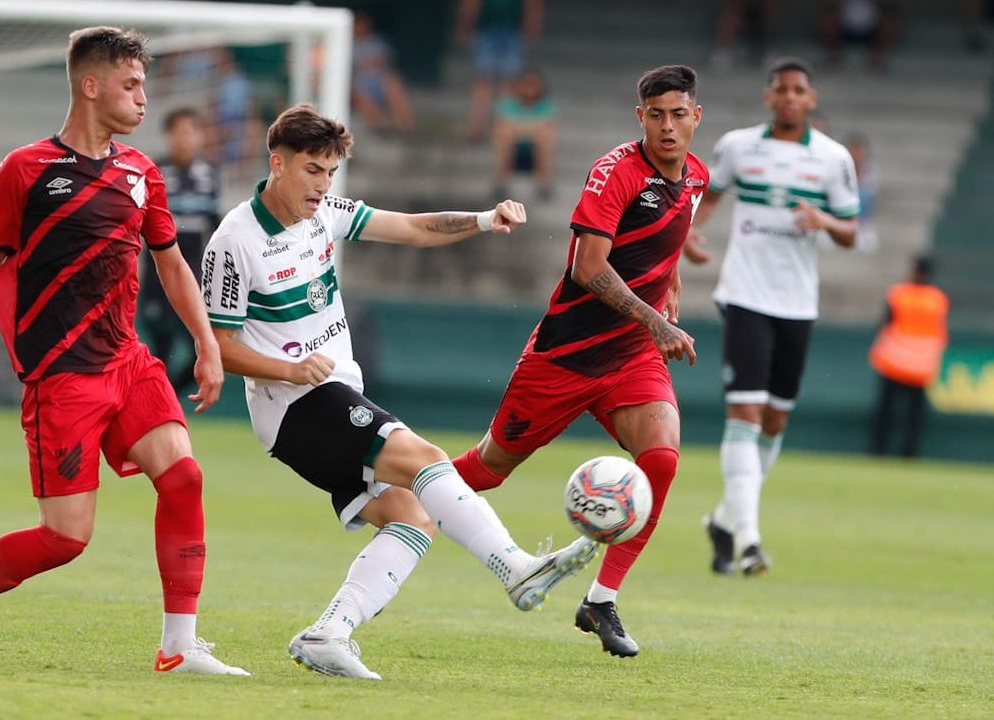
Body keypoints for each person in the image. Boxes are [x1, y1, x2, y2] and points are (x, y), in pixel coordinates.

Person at [0, 26, 249, 676]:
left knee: (185, 477)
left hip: (128, 361)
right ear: (91, 85)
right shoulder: (25, 169)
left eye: (144, 85)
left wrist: (206, 341)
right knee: (64, 539)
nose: (143, 99)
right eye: (131, 85)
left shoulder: (142, 173)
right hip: (63, 380)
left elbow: (171, 266)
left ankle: (178, 645)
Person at [201, 103, 598, 680]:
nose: (323, 185)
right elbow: (218, 346)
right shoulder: (234, 240)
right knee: (424, 459)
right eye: (313, 169)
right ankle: (515, 567)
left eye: (331, 172)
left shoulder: (325, 214)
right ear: (277, 163)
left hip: (330, 392)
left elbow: (413, 228)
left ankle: (328, 633)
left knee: (413, 515)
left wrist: (484, 220)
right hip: (293, 405)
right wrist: (291, 370)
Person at [451, 65, 706, 659]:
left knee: (662, 459)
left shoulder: (696, 177)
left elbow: (667, 244)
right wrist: (656, 319)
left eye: (679, 114)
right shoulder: (614, 171)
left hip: (632, 357)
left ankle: (600, 600)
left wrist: (670, 290)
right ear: (639, 117)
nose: (668, 126)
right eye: (656, 115)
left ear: (696, 117)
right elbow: (586, 268)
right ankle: (395, 481)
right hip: (566, 354)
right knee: (487, 470)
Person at [683, 57, 859, 578]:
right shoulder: (738, 146)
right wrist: (687, 233)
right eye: (780, 89)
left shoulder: (833, 159)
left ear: (811, 99)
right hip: (744, 294)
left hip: (798, 302)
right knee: (746, 414)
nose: (788, 97)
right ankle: (750, 540)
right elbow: (707, 199)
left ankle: (722, 519)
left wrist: (822, 219)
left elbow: (851, 233)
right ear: (768, 97)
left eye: (798, 90)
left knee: (776, 419)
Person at [140, 108, 220, 393]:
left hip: (194, 277)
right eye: (179, 131)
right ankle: (157, 403)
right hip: (157, 278)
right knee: (160, 348)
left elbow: (214, 223)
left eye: (190, 131)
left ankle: (166, 398)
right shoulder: (153, 170)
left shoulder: (209, 173)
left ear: (200, 136)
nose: (184, 138)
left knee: (200, 346)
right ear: (168, 135)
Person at [868, 255, 949, 457]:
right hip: (922, 366)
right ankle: (909, 454)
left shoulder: (899, 293)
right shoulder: (937, 298)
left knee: (887, 414)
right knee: (914, 417)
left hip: (894, 362)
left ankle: (880, 451)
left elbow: (886, 324)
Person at [458, 0, 544, 141]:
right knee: (485, 83)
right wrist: (467, 21)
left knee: (506, 84)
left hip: (510, 30)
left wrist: (532, 22)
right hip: (489, 28)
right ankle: (479, 128)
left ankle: (502, 128)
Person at [491, 68, 556, 202]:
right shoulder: (507, 104)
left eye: (533, 84)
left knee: (545, 138)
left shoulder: (546, 105)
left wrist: (518, 128)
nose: (529, 88)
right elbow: (502, 126)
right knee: (504, 135)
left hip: (534, 152)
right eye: (526, 84)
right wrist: (532, 128)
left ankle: (544, 185)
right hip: (512, 151)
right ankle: (500, 184)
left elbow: (547, 127)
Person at [350, 12, 416, 135]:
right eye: (357, 24)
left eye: (362, 23)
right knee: (357, 91)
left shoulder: (378, 41)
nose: (359, 26)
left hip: (379, 80)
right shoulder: (347, 44)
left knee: (393, 82)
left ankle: (406, 126)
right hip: (359, 83)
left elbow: (385, 62)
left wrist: (366, 64)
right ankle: (381, 126)